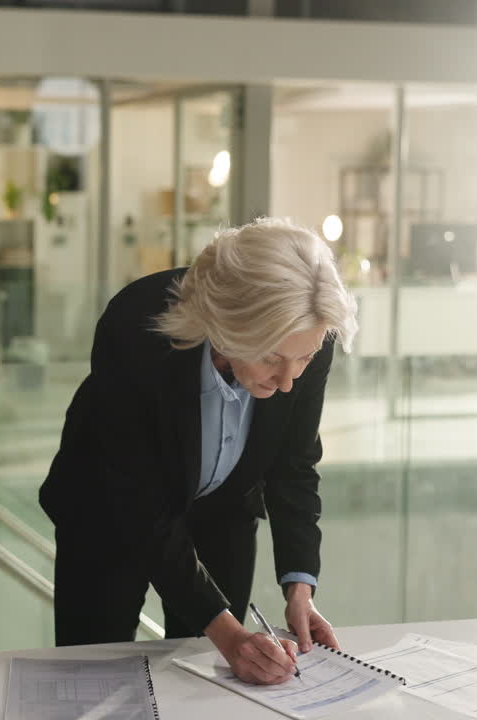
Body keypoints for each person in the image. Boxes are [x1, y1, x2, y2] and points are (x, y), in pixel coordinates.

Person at [39, 217, 358, 685]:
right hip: (107, 509)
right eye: (271, 358)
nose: (289, 380)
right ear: (227, 328)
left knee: (211, 683)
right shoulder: (135, 328)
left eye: (303, 359)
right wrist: (230, 635)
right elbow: (138, 501)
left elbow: (293, 465)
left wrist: (299, 587)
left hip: (222, 510)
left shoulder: (306, 335)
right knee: (91, 673)